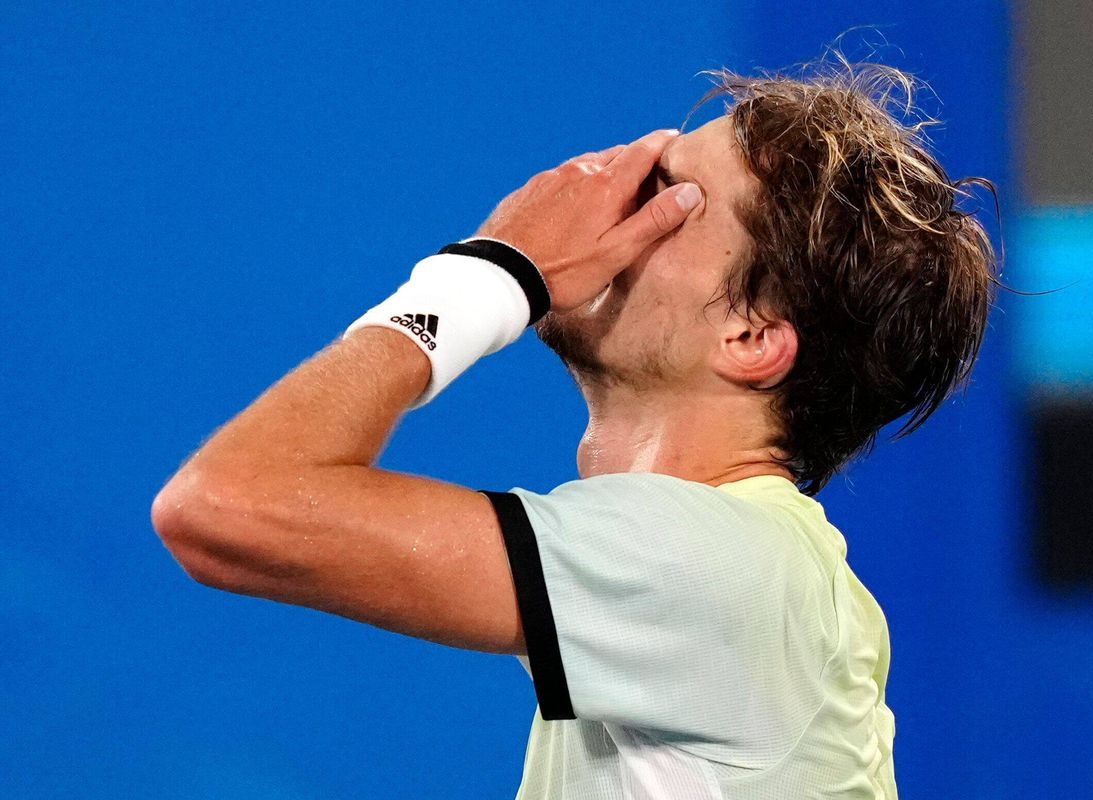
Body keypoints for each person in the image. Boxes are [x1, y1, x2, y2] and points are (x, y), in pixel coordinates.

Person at [152, 58, 998, 799]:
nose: (601, 197)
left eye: (666, 197)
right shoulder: (746, 569)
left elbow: (226, 506)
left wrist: (487, 274)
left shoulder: (713, 563)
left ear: (748, 338)